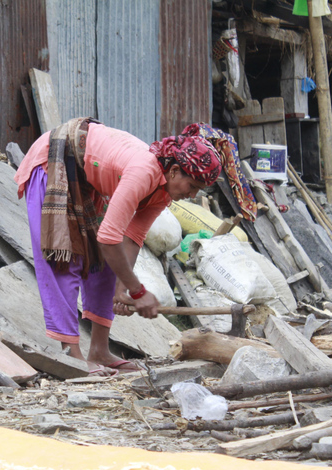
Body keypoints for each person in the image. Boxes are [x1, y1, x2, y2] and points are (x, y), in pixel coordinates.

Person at [15, 118, 221, 374]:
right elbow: (108, 239)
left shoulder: (164, 192)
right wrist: (138, 291)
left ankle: (100, 351)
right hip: (55, 160)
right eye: (192, 186)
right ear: (174, 171)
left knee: (104, 267)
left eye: (198, 191)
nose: (192, 196)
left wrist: (122, 289)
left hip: (84, 176)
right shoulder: (143, 172)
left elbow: (132, 236)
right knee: (64, 258)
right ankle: (72, 354)